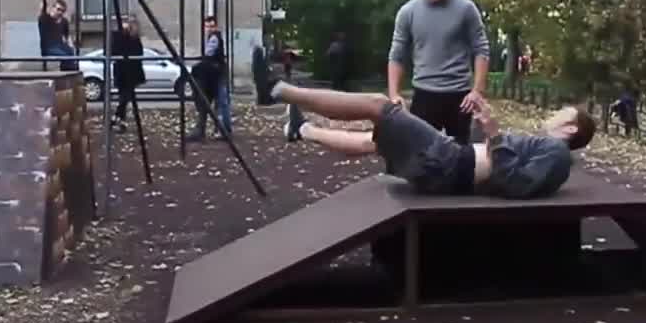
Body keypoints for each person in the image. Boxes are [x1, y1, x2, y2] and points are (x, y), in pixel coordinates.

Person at [253, 60, 596, 198]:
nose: (553, 115)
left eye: (561, 114)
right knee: (372, 141)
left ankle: (277, 91)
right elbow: (502, 163)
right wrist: (485, 130)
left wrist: (493, 134)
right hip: (448, 162)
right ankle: (302, 130)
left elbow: (515, 184)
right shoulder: (551, 153)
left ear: (569, 129)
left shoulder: (556, 153)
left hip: (447, 165)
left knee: (378, 105)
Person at [388, 0, 490, 145]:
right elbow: (397, 54)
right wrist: (394, 94)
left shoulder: (466, 9)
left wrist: (477, 91)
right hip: (425, 94)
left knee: (462, 156)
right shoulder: (408, 12)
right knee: (421, 152)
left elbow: (481, 49)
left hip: (460, 95)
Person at [186, 15, 232, 142]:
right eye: (208, 26)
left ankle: (223, 130)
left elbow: (209, 55)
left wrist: (199, 66)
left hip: (216, 74)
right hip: (213, 75)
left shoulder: (214, 38)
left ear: (216, 27)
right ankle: (218, 130)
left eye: (212, 26)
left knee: (221, 102)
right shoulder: (213, 38)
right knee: (214, 103)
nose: (210, 29)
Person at [109, 15, 146, 130]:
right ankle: (118, 119)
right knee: (125, 97)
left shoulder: (134, 38)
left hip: (130, 70)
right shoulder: (120, 36)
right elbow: (114, 50)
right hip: (124, 70)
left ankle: (119, 119)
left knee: (125, 97)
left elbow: (139, 52)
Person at [38, 0, 77, 72]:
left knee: (71, 53)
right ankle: (66, 73)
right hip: (49, 48)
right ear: (53, 8)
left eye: (62, 11)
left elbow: (67, 36)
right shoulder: (45, 19)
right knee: (66, 56)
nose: (60, 12)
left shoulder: (64, 21)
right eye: (58, 9)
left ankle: (68, 73)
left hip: (60, 46)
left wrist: (71, 46)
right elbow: (42, 6)